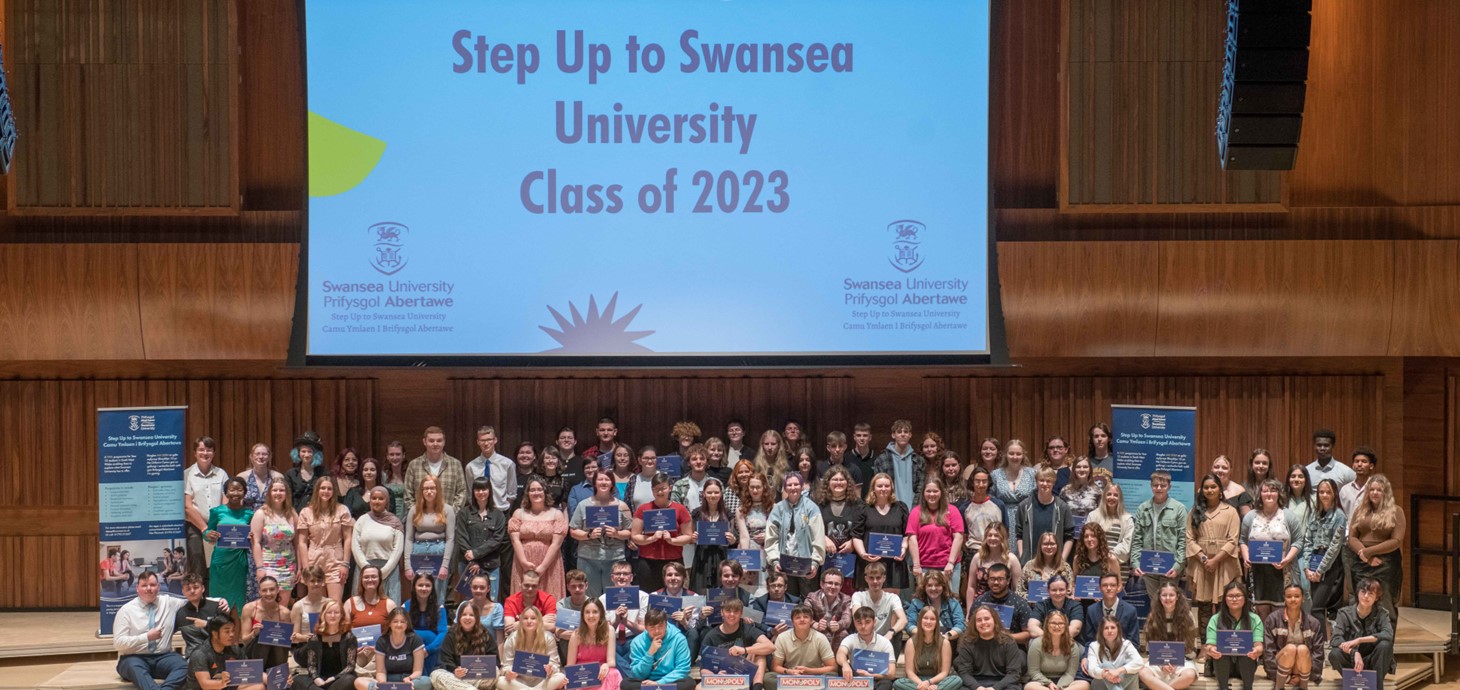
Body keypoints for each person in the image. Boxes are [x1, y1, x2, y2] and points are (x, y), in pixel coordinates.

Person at [114, 571, 224, 690]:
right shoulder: (126, 610)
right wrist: (146, 637)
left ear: (158, 587)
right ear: (137, 588)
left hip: (163, 657)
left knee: (186, 667)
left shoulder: (168, 602)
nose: (149, 589)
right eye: (144, 585)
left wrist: (220, 600)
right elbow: (118, 643)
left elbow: (193, 598)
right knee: (134, 668)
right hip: (134, 657)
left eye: (152, 585)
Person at [1187, 473, 1242, 637]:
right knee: (1203, 606)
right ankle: (1204, 645)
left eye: (1213, 487)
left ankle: (1222, 642)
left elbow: (1233, 540)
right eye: (1206, 487)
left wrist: (1215, 560)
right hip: (1201, 563)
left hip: (1224, 563)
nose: (1210, 490)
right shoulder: (1194, 511)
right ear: (1201, 490)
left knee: (1223, 604)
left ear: (1220, 489)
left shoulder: (1231, 511)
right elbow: (1189, 539)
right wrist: (1204, 559)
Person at [1240, 479, 1302, 619]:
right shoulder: (1251, 516)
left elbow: (1298, 541)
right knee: (1259, 611)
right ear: (1260, 494)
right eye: (1265, 490)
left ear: (1279, 494)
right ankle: (1261, 640)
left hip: (1283, 571)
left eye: (1273, 490)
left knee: (1280, 612)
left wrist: (1287, 559)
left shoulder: (1288, 515)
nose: (1269, 494)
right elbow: (1243, 540)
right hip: (1257, 573)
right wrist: (1246, 557)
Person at [1348, 474, 1405, 625]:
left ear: (1386, 492)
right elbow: (1352, 538)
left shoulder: (1396, 511)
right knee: (1360, 602)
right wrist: (1364, 554)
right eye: (1371, 489)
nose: (1374, 493)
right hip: (1361, 562)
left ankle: (1385, 645)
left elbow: (1396, 540)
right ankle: (1362, 643)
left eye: (1379, 490)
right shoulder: (1360, 510)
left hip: (1386, 563)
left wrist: (1369, 552)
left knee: (1386, 604)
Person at [569, 471, 633, 598]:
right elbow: (573, 531)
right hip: (588, 559)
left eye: (607, 480)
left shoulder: (621, 506)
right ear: (594, 483)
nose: (603, 482)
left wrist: (617, 533)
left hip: (615, 559)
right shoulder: (583, 505)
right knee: (590, 598)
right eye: (600, 480)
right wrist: (588, 535)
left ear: (612, 484)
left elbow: (629, 531)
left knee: (614, 598)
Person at [1130, 471, 1187, 604]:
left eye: (1163, 485)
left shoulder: (1179, 509)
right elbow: (1137, 539)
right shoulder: (1143, 509)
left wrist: (1178, 565)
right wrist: (1135, 563)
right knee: (1155, 604)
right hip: (1148, 569)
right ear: (1151, 486)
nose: (1159, 488)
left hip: (1170, 568)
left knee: (1170, 604)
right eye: (1155, 485)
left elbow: (1183, 541)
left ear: (1169, 487)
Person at [765, 472, 826, 597]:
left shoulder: (812, 508)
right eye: (789, 485)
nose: (793, 487)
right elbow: (771, 538)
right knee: (788, 600)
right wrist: (775, 561)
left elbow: (818, 537)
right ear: (785, 488)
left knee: (808, 601)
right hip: (784, 566)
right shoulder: (778, 509)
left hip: (806, 566)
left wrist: (815, 563)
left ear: (802, 486)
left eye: (796, 484)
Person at [630, 472, 693, 593]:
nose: (659, 492)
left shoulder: (680, 509)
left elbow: (688, 536)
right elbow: (635, 536)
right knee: (648, 596)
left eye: (663, 488)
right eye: (656, 489)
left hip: (673, 560)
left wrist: (671, 540)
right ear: (652, 490)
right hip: (648, 561)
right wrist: (651, 538)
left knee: (674, 594)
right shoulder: (643, 509)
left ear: (670, 488)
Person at [1329, 579, 1394, 690]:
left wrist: (1359, 640)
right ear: (1358, 593)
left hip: (1374, 660)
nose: (1366, 596)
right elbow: (1335, 639)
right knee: (1334, 654)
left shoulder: (1382, 613)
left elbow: (1388, 634)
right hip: (1352, 661)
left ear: (1376, 597)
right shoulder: (1344, 613)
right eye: (1363, 592)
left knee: (1385, 645)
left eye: (1371, 593)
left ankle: (1376, 687)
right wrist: (1354, 653)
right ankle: (1354, 683)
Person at [512, 477, 570, 600]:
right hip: (524, 561)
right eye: (532, 490)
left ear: (545, 492)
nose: (536, 493)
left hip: (549, 562)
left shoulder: (556, 514)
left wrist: (542, 567)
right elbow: (515, 540)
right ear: (527, 493)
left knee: (549, 596)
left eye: (539, 489)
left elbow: (556, 544)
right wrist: (523, 562)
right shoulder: (518, 513)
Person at [300, 476, 356, 602]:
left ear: (334, 491)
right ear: (317, 490)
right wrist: (305, 568)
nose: (326, 491)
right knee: (317, 604)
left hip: (336, 559)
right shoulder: (306, 512)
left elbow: (348, 538)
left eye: (329, 489)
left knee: (334, 604)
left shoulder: (342, 510)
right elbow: (302, 542)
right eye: (323, 488)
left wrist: (345, 564)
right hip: (314, 558)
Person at [699, 598, 774, 690]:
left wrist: (745, 650)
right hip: (722, 679)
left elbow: (771, 647)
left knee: (759, 651)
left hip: (745, 674)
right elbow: (703, 669)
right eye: (728, 611)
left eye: (736, 611)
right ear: (722, 613)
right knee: (698, 687)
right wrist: (715, 676)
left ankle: (757, 687)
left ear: (741, 613)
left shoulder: (747, 629)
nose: (732, 615)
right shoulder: (711, 636)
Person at [853, 472, 911, 591]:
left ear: (891, 488)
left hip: (894, 563)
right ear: (873, 488)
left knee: (891, 602)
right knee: (870, 603)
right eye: (879, 486)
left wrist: (903, 548)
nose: (883, 489)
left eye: (886, 486)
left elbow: (907, 533)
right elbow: (856, 535)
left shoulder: (900, 508)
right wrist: (863, 554)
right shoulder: (864, 508)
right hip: (870, 562)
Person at [1262, 584, 1326, 690]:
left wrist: (1308, 676)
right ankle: (1279, 687)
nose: (1293, 599)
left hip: (1302, 667)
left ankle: (1303, 687)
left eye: (1297, 596)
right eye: (1289, 596)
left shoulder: (1313, 623)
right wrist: (1279, 676)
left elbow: (1318, 654)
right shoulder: (1272, 619)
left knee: (1302, 649)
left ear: (1303, 598)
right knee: (1291, 648)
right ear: (1284, 598)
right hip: (1280, 665)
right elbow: (1268, 652)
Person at [1300, 479, 1348, 620]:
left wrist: (1320, 570)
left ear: (1334, 494)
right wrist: (1307, 567)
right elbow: (1308, 541)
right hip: (1313, 563)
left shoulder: (1339, 516)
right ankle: (1319, 641)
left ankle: (1322, 642)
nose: (1324, 495)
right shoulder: (1313, 514)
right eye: (1321, 492)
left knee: (1317, 608)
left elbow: (1334, 548)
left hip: (1331, 566)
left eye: (1328, 492)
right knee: (1314, 606)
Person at [204, 477, 254, 612]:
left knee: (238, 599)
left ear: (245, 493)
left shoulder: (250, 514)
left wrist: (251, 537)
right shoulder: (217, 511)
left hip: (239, 562)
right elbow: (208, 533)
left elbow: (254, 537)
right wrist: (208, 535)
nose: (235, 493)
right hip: (220, 562)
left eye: (239, 490)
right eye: (232, 490)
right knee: (217, 599)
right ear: (226, 493)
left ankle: (238, 630)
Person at [908, 477, 966, 591]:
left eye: (935, 491)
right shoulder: (916, 512)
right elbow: (912, 539)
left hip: (949, 566)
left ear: (941, 492)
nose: (932, 494)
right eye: (928, 491)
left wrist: (951, 562)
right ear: (923, 493)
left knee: (951, 601)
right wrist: (916, 565)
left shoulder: (953, 510)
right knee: (926, 604)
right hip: (924, 566)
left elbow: (958, 537)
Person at [1137, 583, 1198, 690]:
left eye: (1171, 595)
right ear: (1159, 597)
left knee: (1190, 675)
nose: (1168, 598)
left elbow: (1191, 646)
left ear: (1177, 597)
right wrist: (1162, 663)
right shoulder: (1153, 616)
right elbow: (1150, 647)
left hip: (1182, 661)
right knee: (1143, 673)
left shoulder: (1188, 615)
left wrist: (1175, 661)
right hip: (1159, 661)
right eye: (1164, 595)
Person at [184, 436, 228, 583]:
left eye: (209, 450)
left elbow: (225, 502)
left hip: (218, 527)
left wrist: (216, 526)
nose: (205, 453)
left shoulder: (221, 474)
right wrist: (204, 529)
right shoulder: (187, 474)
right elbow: (187, 506)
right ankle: (199, 600)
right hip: (196, 527)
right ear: (195, 453)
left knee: (217, 566)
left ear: (214, 453)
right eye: (201, 450)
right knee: (197, 563)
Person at [459, 477, 510, 602]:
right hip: (468, 565)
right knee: (469, 602)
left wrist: (475, 554)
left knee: (491, 600)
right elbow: (461, 537)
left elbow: (496, 540)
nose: (481, 492)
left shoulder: (498, 515)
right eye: (478, 489)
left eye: (484, 489)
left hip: (491, 564)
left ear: (490, 491)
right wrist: (473, 561)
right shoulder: (464, 513)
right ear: (473, 492)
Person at [1205, 583, 1264, 690]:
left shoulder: (1255, 619)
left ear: (1245, 599)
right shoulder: (1215, 619)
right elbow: (1209, 646)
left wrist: (1256, 652)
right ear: (1225, 599)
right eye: (1230, 596)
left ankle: (1248, 688)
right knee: (1220, 651)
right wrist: (1212, 650)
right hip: (1223, 664)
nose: (1234, 599)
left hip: (1245, 664)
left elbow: (1259, 646)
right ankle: (1223, 688)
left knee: (1247, 652)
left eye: (1238, 596)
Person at [353, 486, 407, 603]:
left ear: (386, 501)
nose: (377, 501)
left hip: (388, 570)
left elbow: (398, 549)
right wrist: (367, 569)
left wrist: (383, 572)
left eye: (381, 499)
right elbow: (355, 546)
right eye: (374, 498)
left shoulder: (395, 522)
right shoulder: (362, 520)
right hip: (364, 569)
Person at [431, 600, 501, 690]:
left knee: (495, 670)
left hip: (478, 678)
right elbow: (445, 659)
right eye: (464, 615)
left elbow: (494, 660)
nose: (467, 618)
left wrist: (482, 669)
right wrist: (454, 669)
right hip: (455, 677)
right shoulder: (451, 634)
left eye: (471, 615)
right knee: (436, 675)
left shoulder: (485, 634)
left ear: (476, 618)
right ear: (459, 617)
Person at [251, 477, 301, 603]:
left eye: (282, 490)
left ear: (286, 494)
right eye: (275, 490)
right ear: (270, 493)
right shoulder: (261, 513)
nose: (278, 493)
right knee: (269, 605)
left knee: (283, 606)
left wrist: (299, 567)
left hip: (288, 566)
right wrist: (259, 567)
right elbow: (255, 542)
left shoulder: (292, 514)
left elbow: (297, 543)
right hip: (268, 565)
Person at [962, 466, 1007, 601]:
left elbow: (1005, 531)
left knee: (997, 587)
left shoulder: (998, 504)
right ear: (972, 483)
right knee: (975, 589)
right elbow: (963, 535)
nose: (981, 485)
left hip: (996, 552)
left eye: (984, 481)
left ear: (988, 483)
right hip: (974, 552)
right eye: (977, 481)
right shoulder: (964, 507)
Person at [293, 599, 359, 690]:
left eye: (336, 612)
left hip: (340, 679)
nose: (332, 615)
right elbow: (312, 665)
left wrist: (334, 678)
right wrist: (316, 678)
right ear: (323, 615)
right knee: (297, 680)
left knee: (350, 679)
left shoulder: (349, 637)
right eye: (329, 612)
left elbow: (350, 666)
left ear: (341, 615)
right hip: (320, 680)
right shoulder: (315, 638)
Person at [766, 605, 837, 690]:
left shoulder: (820, 638)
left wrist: (810, 671)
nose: (802, 619)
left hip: (814, 677)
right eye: (798, 617)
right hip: (791, 677)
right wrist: (789, 671)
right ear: (792, 622)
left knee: (832, 676)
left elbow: (833, 667)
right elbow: (775, 667)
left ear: (811, 621)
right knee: (768, 678)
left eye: (806, 617)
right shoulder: (782, 637)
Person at [1014, 467, 1075, 565]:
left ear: (1054, 483)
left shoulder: (1063, 507)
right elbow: (1019, 534)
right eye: (1041, 480)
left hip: (1055, 564)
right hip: (1030, 562)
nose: (1045, 484)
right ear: (1036, 482)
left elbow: (1069, 536)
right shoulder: (1024, 506)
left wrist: (1062, 560)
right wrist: (1023, 557)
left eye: (1049, 481)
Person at [953, 605, 1024, 690]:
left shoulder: (1008, 642)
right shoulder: (967, 642)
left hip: (1002, 682)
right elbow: (964, 673)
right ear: (974, 624)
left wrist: (995, 688)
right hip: (976, 682)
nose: (983, 622)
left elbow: (1014, 673)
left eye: (987, 619)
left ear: (995, 621)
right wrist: (977, 687)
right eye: (979, 620)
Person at [817, 466, 863, 595]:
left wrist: (853, 542)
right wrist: (823, 538)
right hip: (825, 558)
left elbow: (864, 527)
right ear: (828, 483)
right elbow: (812, 527)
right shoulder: (819, 504)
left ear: (848, 483)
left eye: (842, 480)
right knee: (827, 592)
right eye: (834, 479)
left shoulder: (858, 504)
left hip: (849, 559)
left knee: (848, 595)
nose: (838, 482)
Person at [499, 605, 566, 690]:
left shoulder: (548, 638)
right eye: (525, 618)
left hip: (541, 680)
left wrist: (551, 668)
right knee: (500, 681)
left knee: (560, 677)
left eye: (533, 618)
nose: (529, 621)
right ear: (520, 621)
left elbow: (555, 664)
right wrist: (508, 672)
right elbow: (506, 665)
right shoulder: (512, 638)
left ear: (539, 621)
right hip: (519, 680)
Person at [622, 608, 691, 690]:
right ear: (646, 627)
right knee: (625, 684)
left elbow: (683, 669)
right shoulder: (637, 642)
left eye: (660, 626)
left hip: (669, 680)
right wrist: (650, 653)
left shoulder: (679, 639)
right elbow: (638, 675)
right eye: (652, 627)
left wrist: (659, 683)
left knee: (689, 683)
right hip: (647, 681)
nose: (657, 631)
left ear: (666, 624)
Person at [689, 477, 739, 592]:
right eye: (709, 492)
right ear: (704, 494)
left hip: (721, 558)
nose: (713, 495)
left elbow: (734, 538)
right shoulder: (696, 513)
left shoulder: (727, 513)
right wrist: (693, 538)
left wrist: (732, 540)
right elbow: (691, 538)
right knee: (700, 592)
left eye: (716, 492)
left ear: (721, 494)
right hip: (702, 558)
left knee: (721, 593)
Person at [406, 475, 457, 586]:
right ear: (422, 491)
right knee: (420, 590)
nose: (429, 492)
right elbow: (409, 539)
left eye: (432, 488)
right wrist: (407, 565)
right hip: (418, 551)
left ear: (438, 490)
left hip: (439, 551)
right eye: (426, 488)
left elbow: (450, 539)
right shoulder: (414, 510)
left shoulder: (447, 510)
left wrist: (444, 565)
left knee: (438, 593)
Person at [187, 615, 262, 690]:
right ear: (215, 634)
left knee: (259, 687)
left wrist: (269, 679)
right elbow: (205, 685)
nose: (232, 634)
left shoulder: (234, 649)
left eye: (233, 630)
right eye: (227, 631)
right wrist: (221, 682)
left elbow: (251, 670)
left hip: (227, 686)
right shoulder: (200, 654)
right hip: (208, 688)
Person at [404, 427, 467, 512]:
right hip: (421, 520)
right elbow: (408, 495)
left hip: (448, 520)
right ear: (424, 442)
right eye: (431, 441)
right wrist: (418, 515)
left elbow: (462, 493)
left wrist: (451, 514)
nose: (435, 444)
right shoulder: (414, 465)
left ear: (444, 442)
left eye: (439, 440)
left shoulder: (455, 465)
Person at [969, 563, 1032, 646]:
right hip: (983, 645)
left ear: (1008, 581)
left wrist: (1005, 637)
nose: (995, 582)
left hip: (1011, 646)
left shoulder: (1019, 603)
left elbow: (1027, 634)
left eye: (1000, 579)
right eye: (992, 579)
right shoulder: (979, 602)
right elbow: (970, 628)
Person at [363, 607, 426, 690]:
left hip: (408, 680)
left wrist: (410, 678)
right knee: (359, 681)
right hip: (389, 680)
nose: (399, 625)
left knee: (426, 681)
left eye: (402, 621)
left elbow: (418, 671)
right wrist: (383, 684)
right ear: (390, 624)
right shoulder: (381, 641)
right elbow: (381, 671)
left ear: (407, 624)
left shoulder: (415, 639)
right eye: (395, 621)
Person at [565, 599, 621, 690]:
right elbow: (570, 665)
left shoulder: (609, 630)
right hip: (582, 674)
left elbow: (612, 661)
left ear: (601, 614)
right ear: (583, 615)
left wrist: (606, 665)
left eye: (595, 612)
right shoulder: (576, 635)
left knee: (614, 673)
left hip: (601, 671)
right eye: (587, 612)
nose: (591, 616)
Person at [1024, 611, 1087, 690]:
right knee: (1029, 687)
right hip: (1042, 682)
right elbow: (1034, 672)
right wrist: (1049, 683)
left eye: (1060, 623)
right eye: (1053, 623)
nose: (1057, 627)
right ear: (1047, 625)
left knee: (1084, 684)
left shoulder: (1072, 645)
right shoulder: (1036, 644)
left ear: (1065, 626)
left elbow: (1070, 674)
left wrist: (1059, 687)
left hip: (1065, 683)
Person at [839, 606, 897, 690]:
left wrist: (870, 676)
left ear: (874, 622)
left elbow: (892, 673)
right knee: (840, 667)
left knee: (886, 683)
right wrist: (845, 664)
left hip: (877, 679)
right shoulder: (850, 639)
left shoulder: (885, 643)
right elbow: (840, 653)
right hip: (855, 678)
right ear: (854, 623)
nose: (863, 626)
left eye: (867, 622)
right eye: (859, 622)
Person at [240, 576, 291, 670]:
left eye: (272, 589)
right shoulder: (249, 609)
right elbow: (244, 640)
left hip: (276, 655)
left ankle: (277, 674)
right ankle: (259, 673)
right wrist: (254, 634)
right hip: (254, 653)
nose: (268, 593)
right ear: (259, 591)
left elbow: (286, 644)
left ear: (277, 590)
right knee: (263, 636)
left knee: (276, 640)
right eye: (264, 590)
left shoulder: (285, 612)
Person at [849, 562, 906, 646]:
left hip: (885, 638)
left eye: (878, 578)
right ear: (866, 579)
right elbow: (857, 618)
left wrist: (891, 632)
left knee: (898, 635)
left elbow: (903, 620)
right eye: (871, 578)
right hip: (864, 636)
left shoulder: (893, 598)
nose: (875, 581)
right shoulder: (858, 596)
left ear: (884, 578)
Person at [600, 561, 648, 659]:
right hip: (612, 639)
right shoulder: (602, 599)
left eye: (625, 574)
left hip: (634, 639)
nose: (621, 577)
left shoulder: (643, 597)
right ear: (612, 577)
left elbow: (644, 630)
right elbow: (604, 632)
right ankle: (630, 674)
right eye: (618, 574)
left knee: (638, 647)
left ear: (631, 577)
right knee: (606, 652)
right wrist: (617, 621)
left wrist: (626, 623)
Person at [738, 471, 777, 593]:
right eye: (752, 487)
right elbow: (744, 536)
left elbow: (778, 531)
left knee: (769, 585)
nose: (755, 490)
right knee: (750, 587)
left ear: (764, 488)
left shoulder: (773, 507)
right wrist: (745, 560)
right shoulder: (741, 509)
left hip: (768, 549)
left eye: (758, 487)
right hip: (751, 550)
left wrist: (768, 536)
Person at [1086, 483, 1133, 580]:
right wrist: (1100, 558)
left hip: (1119, 566)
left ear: (1120, 498)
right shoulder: (1093, 516)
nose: (1112, 497)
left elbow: (1127, 543)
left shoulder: (1127, 519)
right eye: (1109, 494)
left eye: (1116, 495)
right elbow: (1087, 539)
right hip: (1095, 564)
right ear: (1104, 496)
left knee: (1114, 594)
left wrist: (1110, 556)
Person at [466, 426, 517, 512]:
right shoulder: (471, 467)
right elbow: (470, 493)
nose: (486, 443)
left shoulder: (507, 464)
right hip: (479, 513)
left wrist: (506, 510)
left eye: (489, 439)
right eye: (482, 440)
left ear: (495, 440)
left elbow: (512, 493)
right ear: (478, 442)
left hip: (501, 512)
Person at [1079, 574, 1138, 648]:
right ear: (1099, 588)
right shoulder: (1091, 610)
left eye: (1113, 585)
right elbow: (1089, 641)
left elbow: (1134, 643)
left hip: (1123, 654)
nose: (1109, 588)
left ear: (1118, 588)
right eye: (1105, 585)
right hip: (1099, 654)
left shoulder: (1130, 611)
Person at [906, 570, 965, 643]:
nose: (933, 588)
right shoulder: (916, 603)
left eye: (937, 585)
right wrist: (926, 636)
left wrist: (946, 636)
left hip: (948, 642)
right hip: (923, 642)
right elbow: (910, 625)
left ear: (943, 586)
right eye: (930, 585)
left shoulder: (953, 603)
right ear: (924, 587)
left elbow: (960, 625)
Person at [405, 574, 449, 671]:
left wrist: (428, 649)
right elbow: (403, 631)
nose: (424, 588)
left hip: (432, 651)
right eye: (420, 585)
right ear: (414, 587)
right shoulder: (406, 606)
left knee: (431, 637)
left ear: (432, 588)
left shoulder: (439, 608)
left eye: (428, 585)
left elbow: (443, 633)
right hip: (412, 649)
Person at [173, 574, 223, 659]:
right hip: (193, 657)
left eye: (196, 587)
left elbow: (226, 631)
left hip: (218, 654)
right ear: (183, 592)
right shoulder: (180, 613)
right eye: (188, 589)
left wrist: (207, 624)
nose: (192, 591)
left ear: (203, 588)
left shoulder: (217, 607)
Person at [991, 439, 1037, 529]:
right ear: (1005, 455)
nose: (1015, 457)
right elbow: (991, 500)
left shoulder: (1032, 474)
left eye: (1018, 454)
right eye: (1011, 453)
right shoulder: (995, 475)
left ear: (1023, 455)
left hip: (1027, 519)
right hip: (1002, 519)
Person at [1084, 619, 1142, 690]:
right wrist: (1106, 674)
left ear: (1118, 630)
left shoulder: (1126, 644)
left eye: (1113, 627)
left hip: (1123, 683)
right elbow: (1092, 669)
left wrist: (1118, 671)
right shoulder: (1093, 646)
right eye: (1106, 628)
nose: (1109, 631)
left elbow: (1139, 662)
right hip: (1100, 685)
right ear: (1101, 631)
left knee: (1133, 669)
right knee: (1106, 665)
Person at [969, 523, 1023, 600]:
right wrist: (969, 611)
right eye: (990, 535)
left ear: (1002, 538)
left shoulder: (1012, 559)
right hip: (981, 604)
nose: (992, 538)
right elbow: (971, 587)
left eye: (996, 535)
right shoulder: (977, 557)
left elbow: (1017, 589)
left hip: (1004, 604)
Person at [805, 567, 854, 650]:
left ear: (841, 586)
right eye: (830, 583)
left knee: (843, 633)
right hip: (817, 631)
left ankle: (837, 661)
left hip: (836, 632)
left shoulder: (846, 599)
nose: (833, 586)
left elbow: (847, 619)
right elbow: (805, 615)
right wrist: (815, 624)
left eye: (837, 584)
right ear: (822, 584)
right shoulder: (812, 597)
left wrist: (838, 625)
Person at [1028, 576, 1085, 641]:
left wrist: (1058, 640)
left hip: (1069, 641)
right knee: (1033, 642)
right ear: (1048, 590)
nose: (1058, 593)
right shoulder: (1041, 605)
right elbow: (1032, 627)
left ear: (1067, 590)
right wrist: (1051, 639)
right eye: (1054, 590)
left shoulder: (1075, 605)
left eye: (1061, 590)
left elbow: (1075, 629)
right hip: (1046, 640)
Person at [455, 574, 506, 648]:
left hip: (489, 652)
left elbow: (500, 641)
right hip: (466, 651)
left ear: (488, 589)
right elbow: (457, 632)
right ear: (470, 588)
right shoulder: (464, 605)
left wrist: (500, 659)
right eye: (475, 587)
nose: (478, 590)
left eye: (482, 588)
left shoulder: (497, 608)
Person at [751, 572, 803, 640]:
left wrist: (785, 632)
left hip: (791, 635)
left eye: (780, 585)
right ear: (767, 588)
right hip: (768, 637)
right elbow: (759, 623)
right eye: (773, 586)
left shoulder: (796, 602)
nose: (776, 589)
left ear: (785, 587)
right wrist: (772, 631)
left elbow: (800, 620)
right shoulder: (759, 602)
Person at [504, 570, 558, 636]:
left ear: (539, 586)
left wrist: (520, 624)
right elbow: (510, 629)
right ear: (520, 583)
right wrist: (541, 621)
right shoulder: (511, 601)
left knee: (549, 635)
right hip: (519, 638)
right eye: (526, 585)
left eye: (534, 586)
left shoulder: (548, 599)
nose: (530, 589)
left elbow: (553, 627)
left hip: (541, 637)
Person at [346, 564, 397, 632]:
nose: (370, 580)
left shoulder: (390, 604)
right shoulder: (349, 603)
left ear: (380, 579)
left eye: (374, 576)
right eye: (366, 577)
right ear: (361, 580)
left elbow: (396, 631)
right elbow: (345, 631)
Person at [290, 566, 331, 646]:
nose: (316, 584)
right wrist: (306, 638)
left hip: (327, 646)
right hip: (306, 646)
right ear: (305, 582)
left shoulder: (330, 604)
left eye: (319, 581)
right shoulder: (298, 606)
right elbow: (295, 636)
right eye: (312, 581)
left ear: (323, 581)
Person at [286, 432, 326, 513]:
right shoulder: (291, 474)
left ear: (316, 454)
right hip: (295, 515)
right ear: (298, 453)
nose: (306, 455)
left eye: (310, 451)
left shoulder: (323, 473)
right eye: (303, 451)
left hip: (318, 515)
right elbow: (287, 498)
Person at [1057, 458, 1101, 523]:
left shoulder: (1098, 491)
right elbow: (1060, 514)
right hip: (1070, 530)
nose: (1082, 469)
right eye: (1078, 467)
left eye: (1085, 467)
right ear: (1074, 470)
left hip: (1091, 531)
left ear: (1090, 470)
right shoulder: (1065, 491)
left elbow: (1101, 515)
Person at [1339, 447, 1377, 517]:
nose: (1359, 464)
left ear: (1371, 466)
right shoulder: (1345, 490)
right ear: (1353, 465)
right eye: (1356, 461)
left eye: (1364, 461)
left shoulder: (1377, 489)